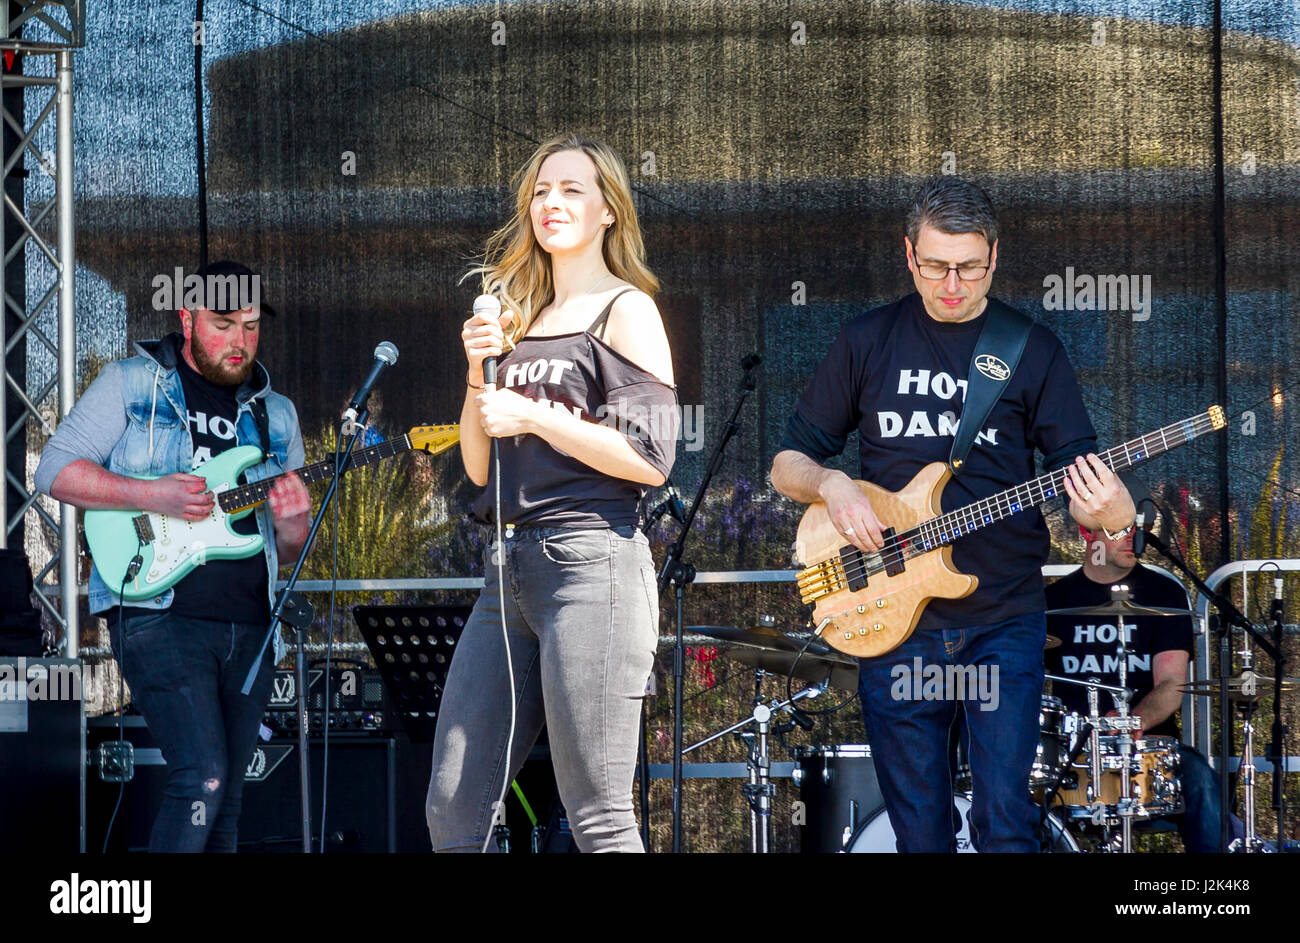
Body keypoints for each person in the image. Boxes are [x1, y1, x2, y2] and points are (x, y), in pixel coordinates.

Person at [769, 177, 1136, 852]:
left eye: (969, 267)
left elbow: (1089, 489)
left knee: (1005, 825)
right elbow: (785, 461)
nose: (951, 283)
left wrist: (1113, 522)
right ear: (909, 255)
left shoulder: (1032, 349)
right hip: (893, 620)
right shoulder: (867, 339)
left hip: (1001, 618)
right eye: (936, 266)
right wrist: (832, 484)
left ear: (994, 257)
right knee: (920, 836)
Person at [425, 134, 677, 853]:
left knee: (597, 812)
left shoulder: (625, 311)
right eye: (541, 190)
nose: (551, 203)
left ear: (607, 211)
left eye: (572, 189)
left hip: (591, 562)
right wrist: (478, 370)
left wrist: (539, 416)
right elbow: (478, 467)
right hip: (505, 572)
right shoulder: (516, 316)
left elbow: (652, 458)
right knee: (452, 808)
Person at [35, 260, 310, 852]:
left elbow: (285, 552)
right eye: (223, 324)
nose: (239, 341)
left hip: (251, 627)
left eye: (251, 326)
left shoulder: (277, 414)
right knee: (200, 779)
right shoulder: (133, 383)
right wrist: (149, 492)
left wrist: (293, 522)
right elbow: (54, 470)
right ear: (186, 318)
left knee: (227, 803)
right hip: (157, 610)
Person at [1045, 521, 1224, 852]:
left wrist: (1134, 721)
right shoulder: (1052, 601)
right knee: (1016, 790)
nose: (1133, 538)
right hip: (1073, 754)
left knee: (1201, 779)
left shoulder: (1164, 595)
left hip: (1150, 752)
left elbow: (1172, 683)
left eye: (1137, 528)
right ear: (1087, 533)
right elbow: (1025, 682)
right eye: (1118, 529)